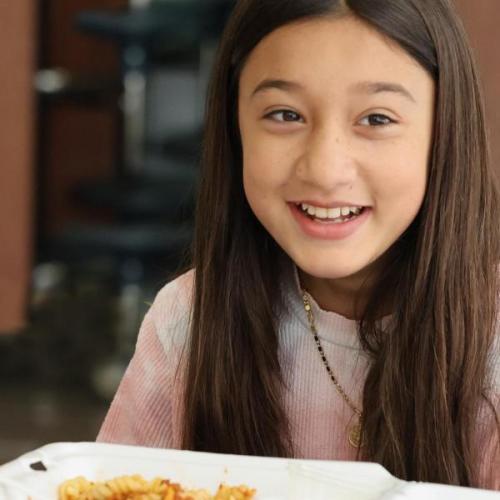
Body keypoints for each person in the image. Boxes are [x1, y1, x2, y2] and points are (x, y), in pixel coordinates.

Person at [97, 0, 500, 489]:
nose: (325, 170)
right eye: (285, 114)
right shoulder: (187, 320)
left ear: (444, 133)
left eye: (376, 119)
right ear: (234, 127)